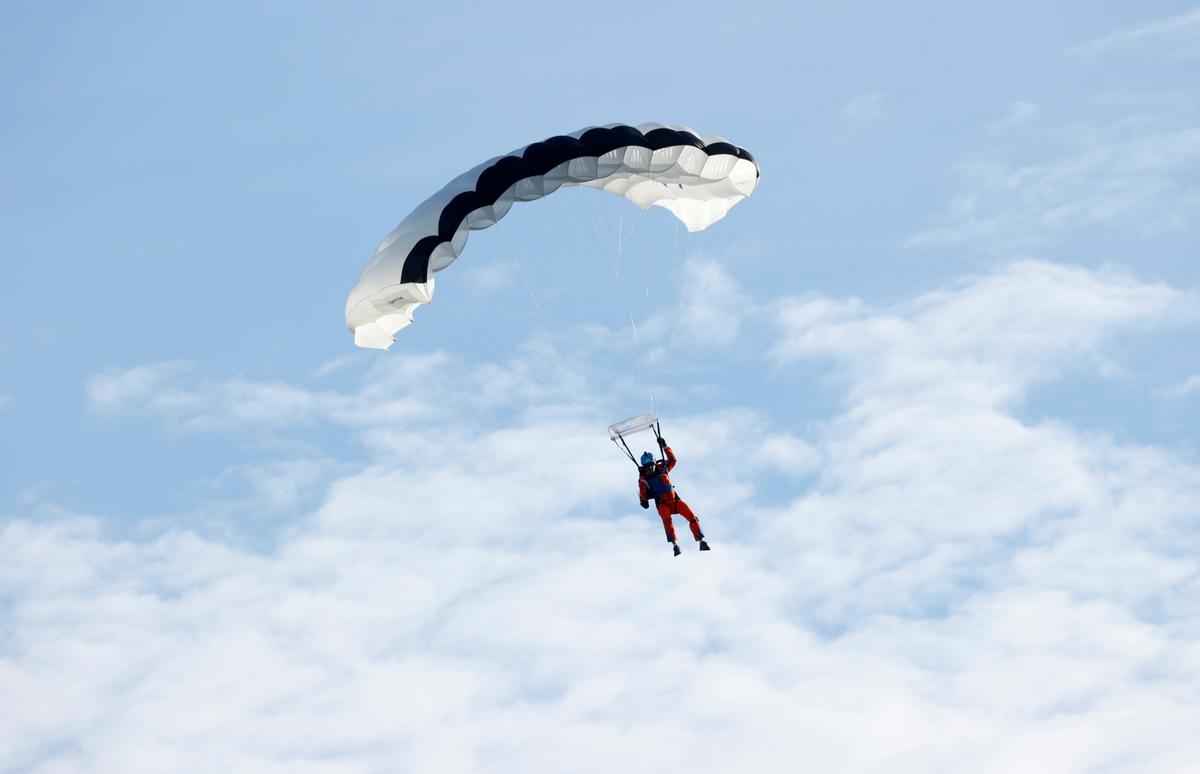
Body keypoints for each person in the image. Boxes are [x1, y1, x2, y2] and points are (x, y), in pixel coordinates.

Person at [639, 436, 710, 556]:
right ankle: (675, 545)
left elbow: (672, 460)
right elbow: (643, 493)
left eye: (651, 466)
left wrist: (665, 446)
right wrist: (644, 501)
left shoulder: (663, 468)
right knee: (667, 521)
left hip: (675, 500)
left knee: (692, 516)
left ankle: (701, 541)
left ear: (655, 463)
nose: (650, 469)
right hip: (662, 504)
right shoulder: (643, 480)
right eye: (647, 468)